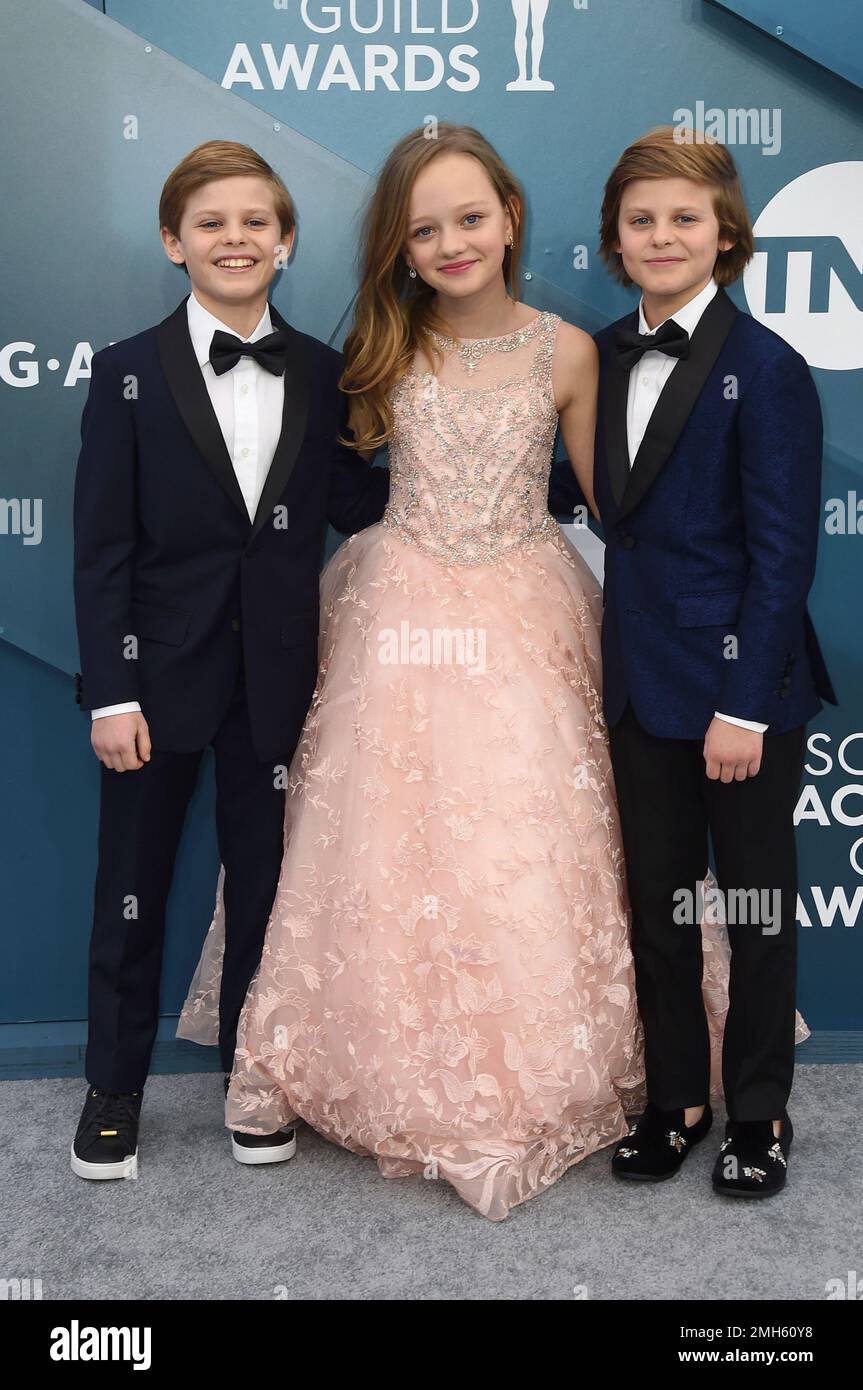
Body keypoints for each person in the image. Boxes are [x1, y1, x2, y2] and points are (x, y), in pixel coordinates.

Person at [176, 124, 785, 1221]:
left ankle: (675, 1088)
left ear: (508, 215)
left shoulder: (571, 351)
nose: (451, 242)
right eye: (424, 229)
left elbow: (621, 504)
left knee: (537, 837)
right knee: (377, 832)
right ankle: (365, 1058)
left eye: (469, 217)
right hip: (396, 609)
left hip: (527, 607)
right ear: (399, 251)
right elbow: (332, 481)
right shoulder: (376, 347)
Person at [70, 140, 389, 1180]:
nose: (235, 238)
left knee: (265, 888)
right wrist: (111, 691)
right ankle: (113, 1089)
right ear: (174, 242)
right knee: (134, 887)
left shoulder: (326, 372)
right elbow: (101, 547)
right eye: (210, 222)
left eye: (256, 222)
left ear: (287, 242)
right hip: (153, 684)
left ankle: (256, 1083)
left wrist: (479, 494)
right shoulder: (124, 373)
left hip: (280, 683)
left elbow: (356, 505)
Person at [588, 126, 836, 1197]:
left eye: (682, 218)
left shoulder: (766, 367)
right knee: (655, 906)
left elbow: (782, 553)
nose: (661, 236)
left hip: (743, 696)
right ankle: (674, 1099)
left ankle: (757, 1114)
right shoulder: (593, 356)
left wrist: (742, 703)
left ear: (723, 235)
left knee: (749, 906)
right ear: (614, 237)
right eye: (640, 220)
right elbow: (588, 498)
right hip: (640, 685)